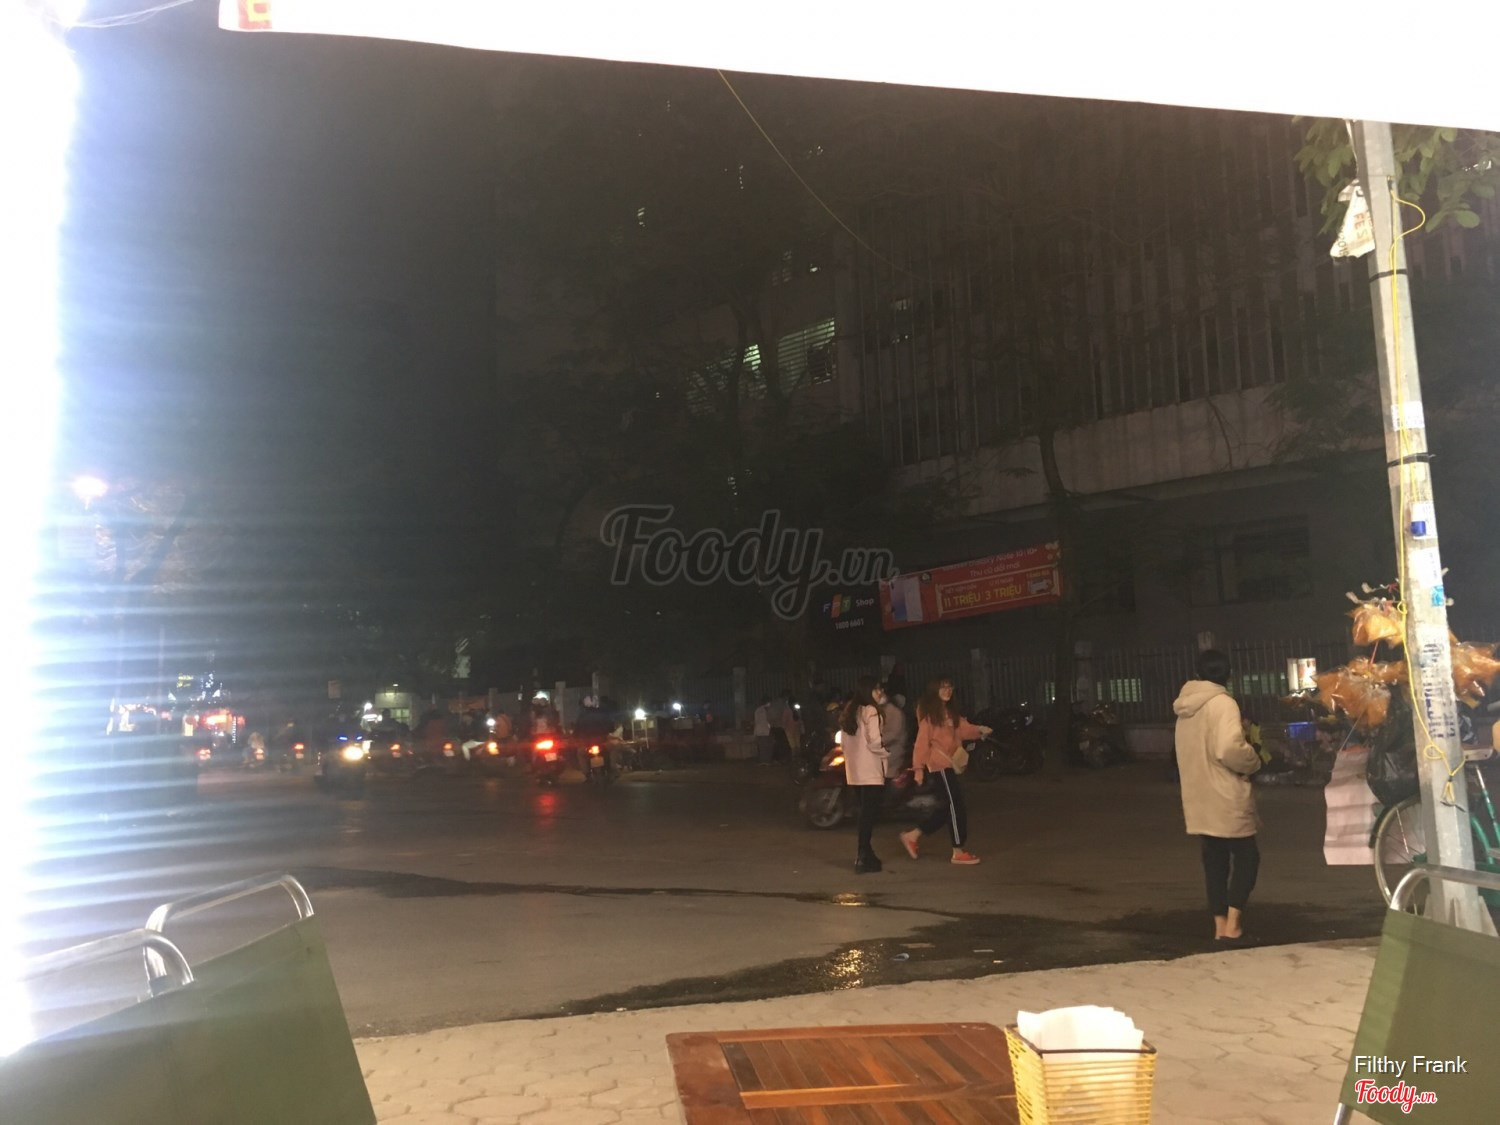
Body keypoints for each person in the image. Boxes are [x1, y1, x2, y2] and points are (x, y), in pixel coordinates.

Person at [1173, 649, 1263, 941]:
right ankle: (1234, 923)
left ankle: (1219, 924)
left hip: (1198, 793)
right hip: (1226, 792)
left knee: (1214, 860)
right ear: (1229, 675)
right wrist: (1252, 760)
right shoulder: (1223, 703)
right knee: (1247, 857)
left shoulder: (1185, 707)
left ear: (1198, 673)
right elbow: (1228, 749)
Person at [901, 677, 991, 865]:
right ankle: (958, 851)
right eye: (943, 687)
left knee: (948, 808)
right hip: (939, 765)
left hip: (949, 764)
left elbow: (963, 729)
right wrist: (918, 769)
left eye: (950, 687)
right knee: (955, 807)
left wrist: (979, 730)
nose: (947, 690)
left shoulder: (950, 712)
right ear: (934, 690)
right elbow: (921, 743)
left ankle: (913, 835)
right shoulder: (930, 716)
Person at [841, 676, 889, 874]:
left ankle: (867, 853)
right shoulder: (871, 711)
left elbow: (844, 743)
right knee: (869, 815)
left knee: (864, 813)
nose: (880, 693)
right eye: (877, 689)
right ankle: (862, 855)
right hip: (871, 770)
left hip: (855, 770)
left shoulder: (850, 711)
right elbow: (875, 741)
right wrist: (885, 754)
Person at [879, 685, 909, 774]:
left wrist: (876, 741)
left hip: (891, 754)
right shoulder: (884, 710)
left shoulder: (893, 711)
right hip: (887, 753)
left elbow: (894, 734)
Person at [753, 696, 774, 764]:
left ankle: (764, 761)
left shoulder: (759, 710)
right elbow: (767, 721)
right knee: (765, 747)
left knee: (763, 747)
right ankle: (765, 761)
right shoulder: (763, 710)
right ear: (767, 703)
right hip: (764, 731)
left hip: (761, 731)